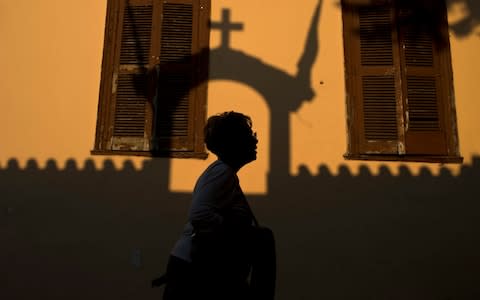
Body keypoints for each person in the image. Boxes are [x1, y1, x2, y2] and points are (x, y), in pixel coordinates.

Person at [161, 111, 276, 300]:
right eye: (249, 136)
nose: (255, 142)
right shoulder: (222, 172)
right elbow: (199, 214)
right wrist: (237, 232)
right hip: (194, 270)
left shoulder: (222, 173)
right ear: (234, 143)